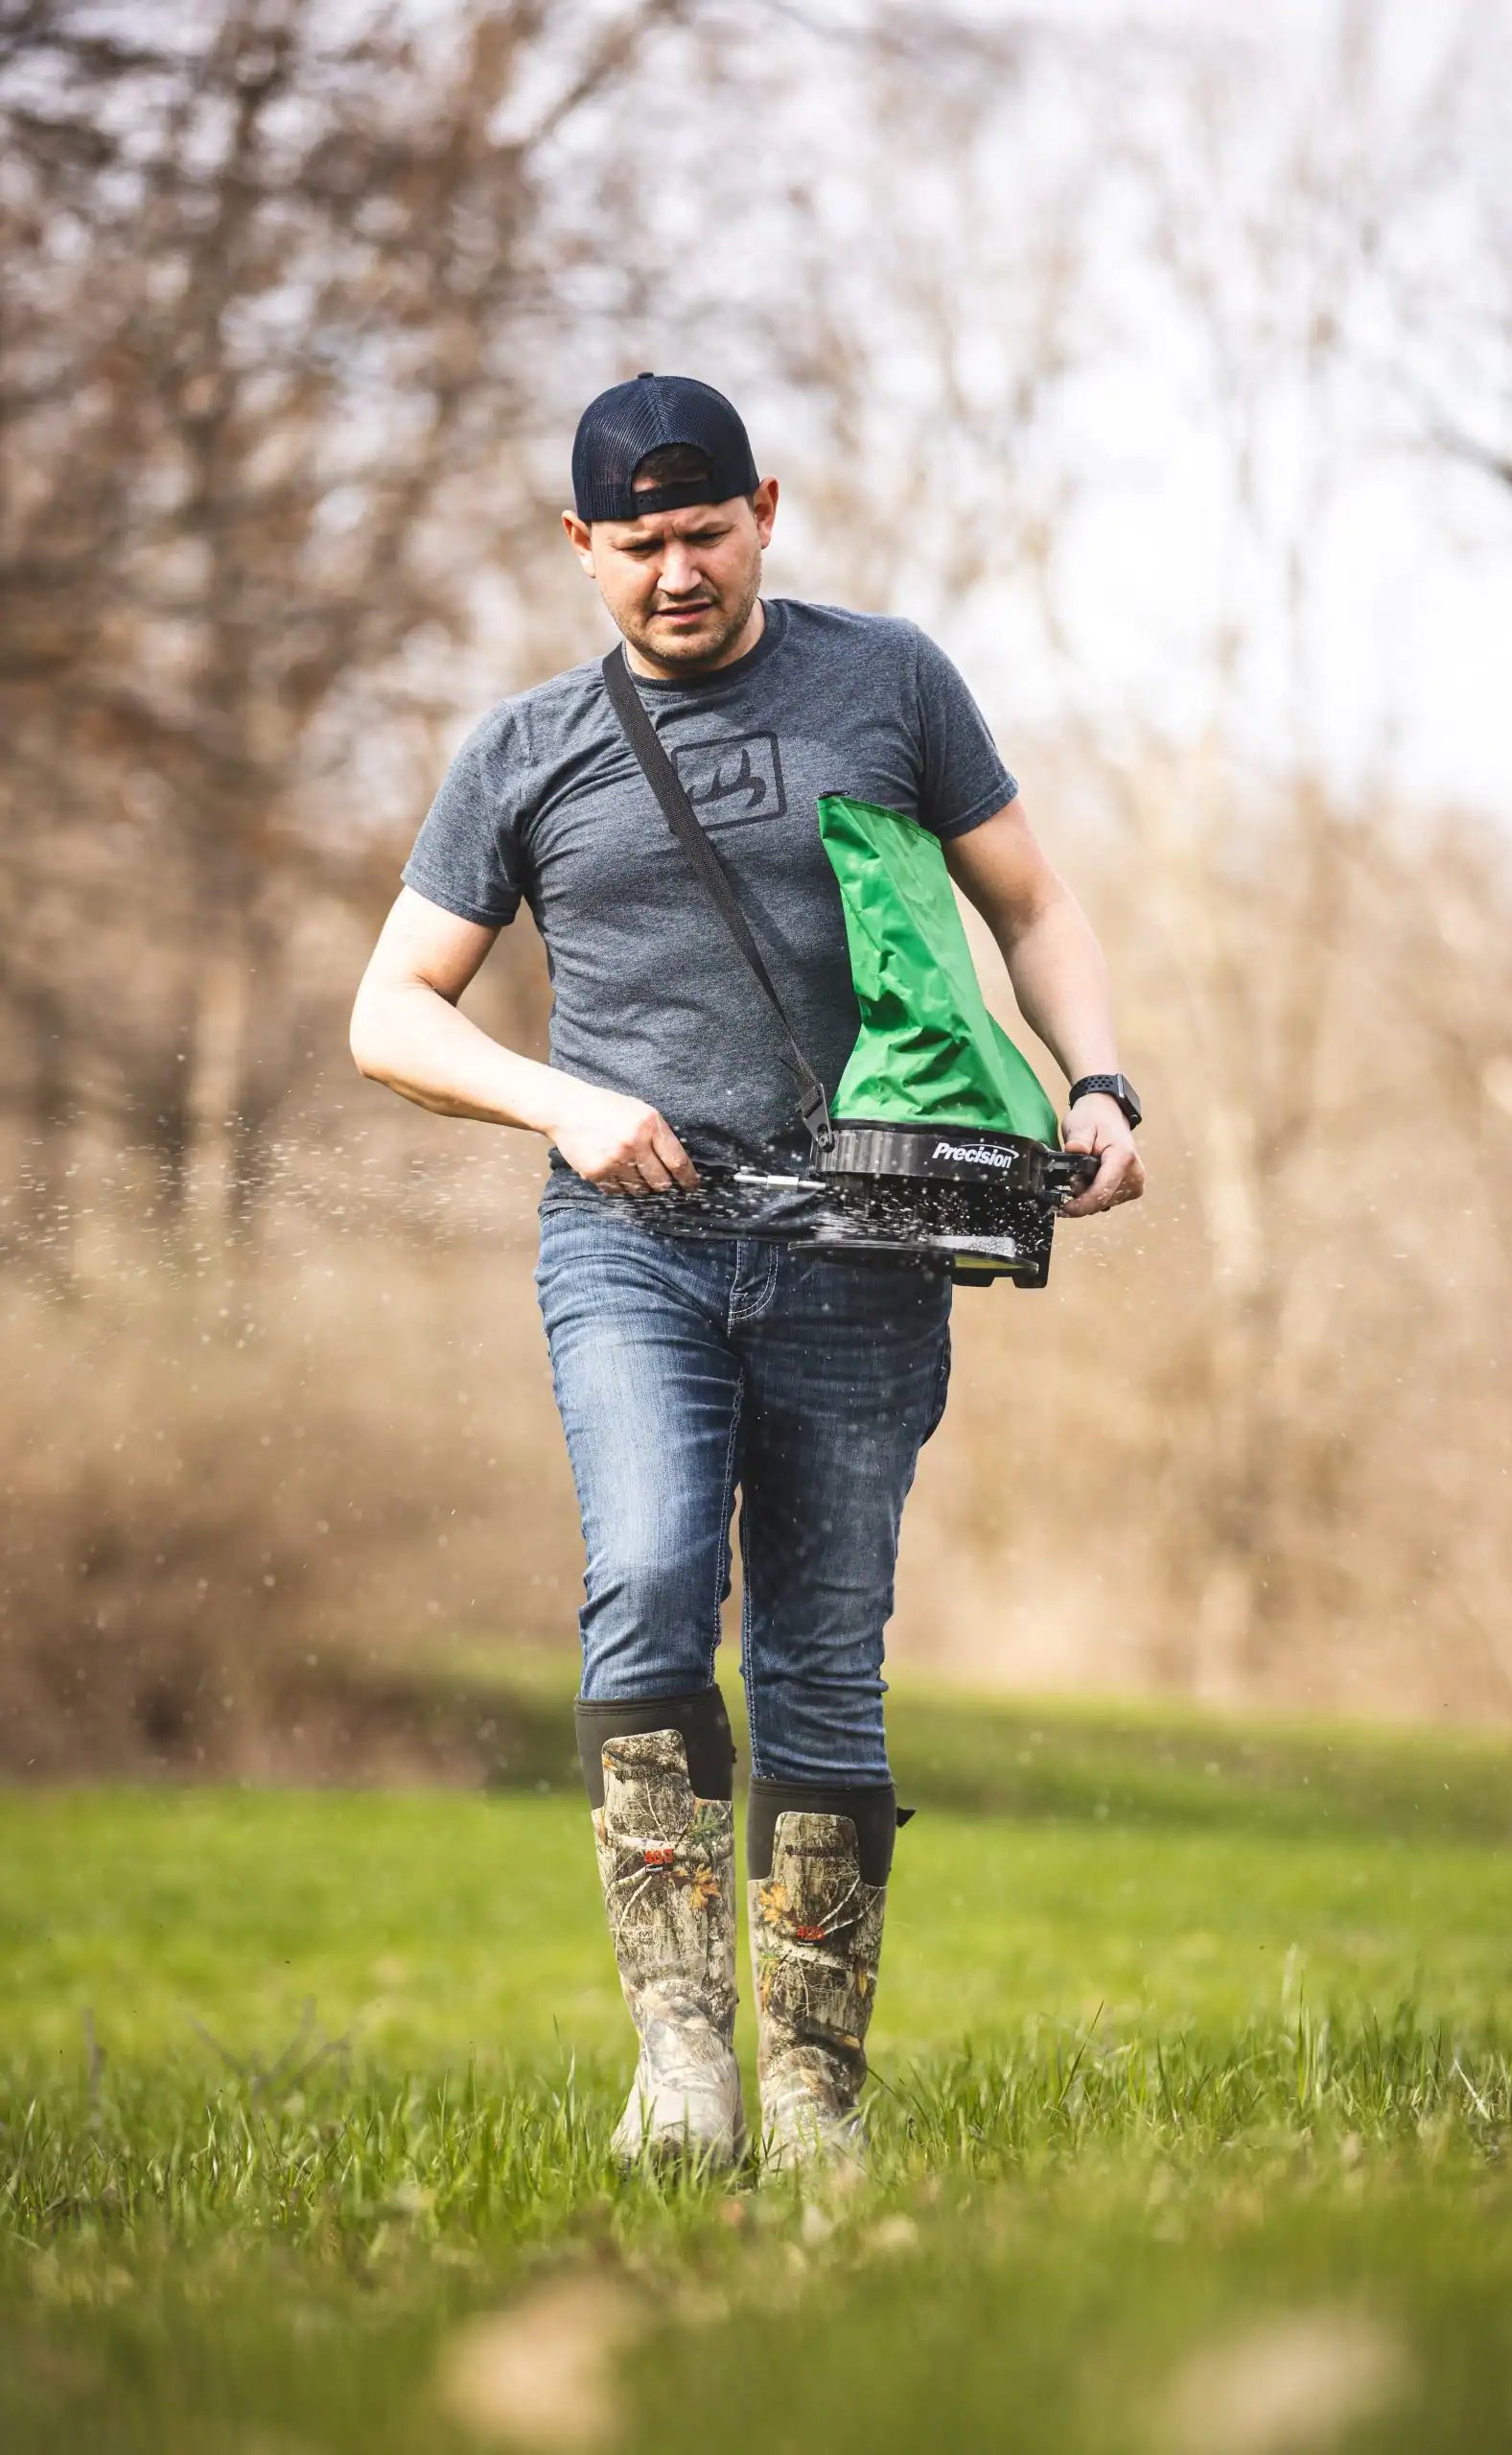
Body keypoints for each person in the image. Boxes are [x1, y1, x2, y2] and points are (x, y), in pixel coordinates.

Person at [349, 372, 1145, 2175]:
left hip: (865, 1242)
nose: (677, 571)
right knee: (643, 1580)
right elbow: (387, 1009)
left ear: (767, 512)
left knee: (823, 1666)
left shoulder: (891, 683)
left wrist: (1097, 1081)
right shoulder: (525, 750)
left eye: (706, 532)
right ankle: (684, 2064)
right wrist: (561, 1103)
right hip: (630, 1243)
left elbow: (1033, 902)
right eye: (637, 545)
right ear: (582, 550)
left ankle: (810, 2099)